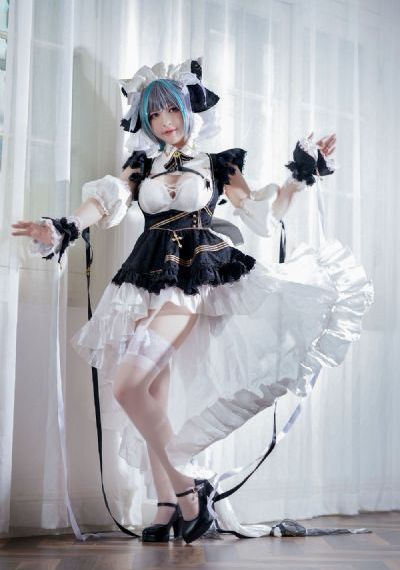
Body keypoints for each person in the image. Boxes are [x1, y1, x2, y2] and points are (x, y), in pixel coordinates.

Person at [11, 58, 373, 544]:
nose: (165, 121)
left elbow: (264, 214)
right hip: (144, 277)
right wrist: (64, 227)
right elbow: (106, 200)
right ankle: (166, 505)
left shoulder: (218, 163)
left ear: (187, 108)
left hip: (193, 277)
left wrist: (300, 173)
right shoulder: (143, 165)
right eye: (153, 114)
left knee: (128, 385)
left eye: (171, 110)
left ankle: (189, 489)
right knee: (150, 392)